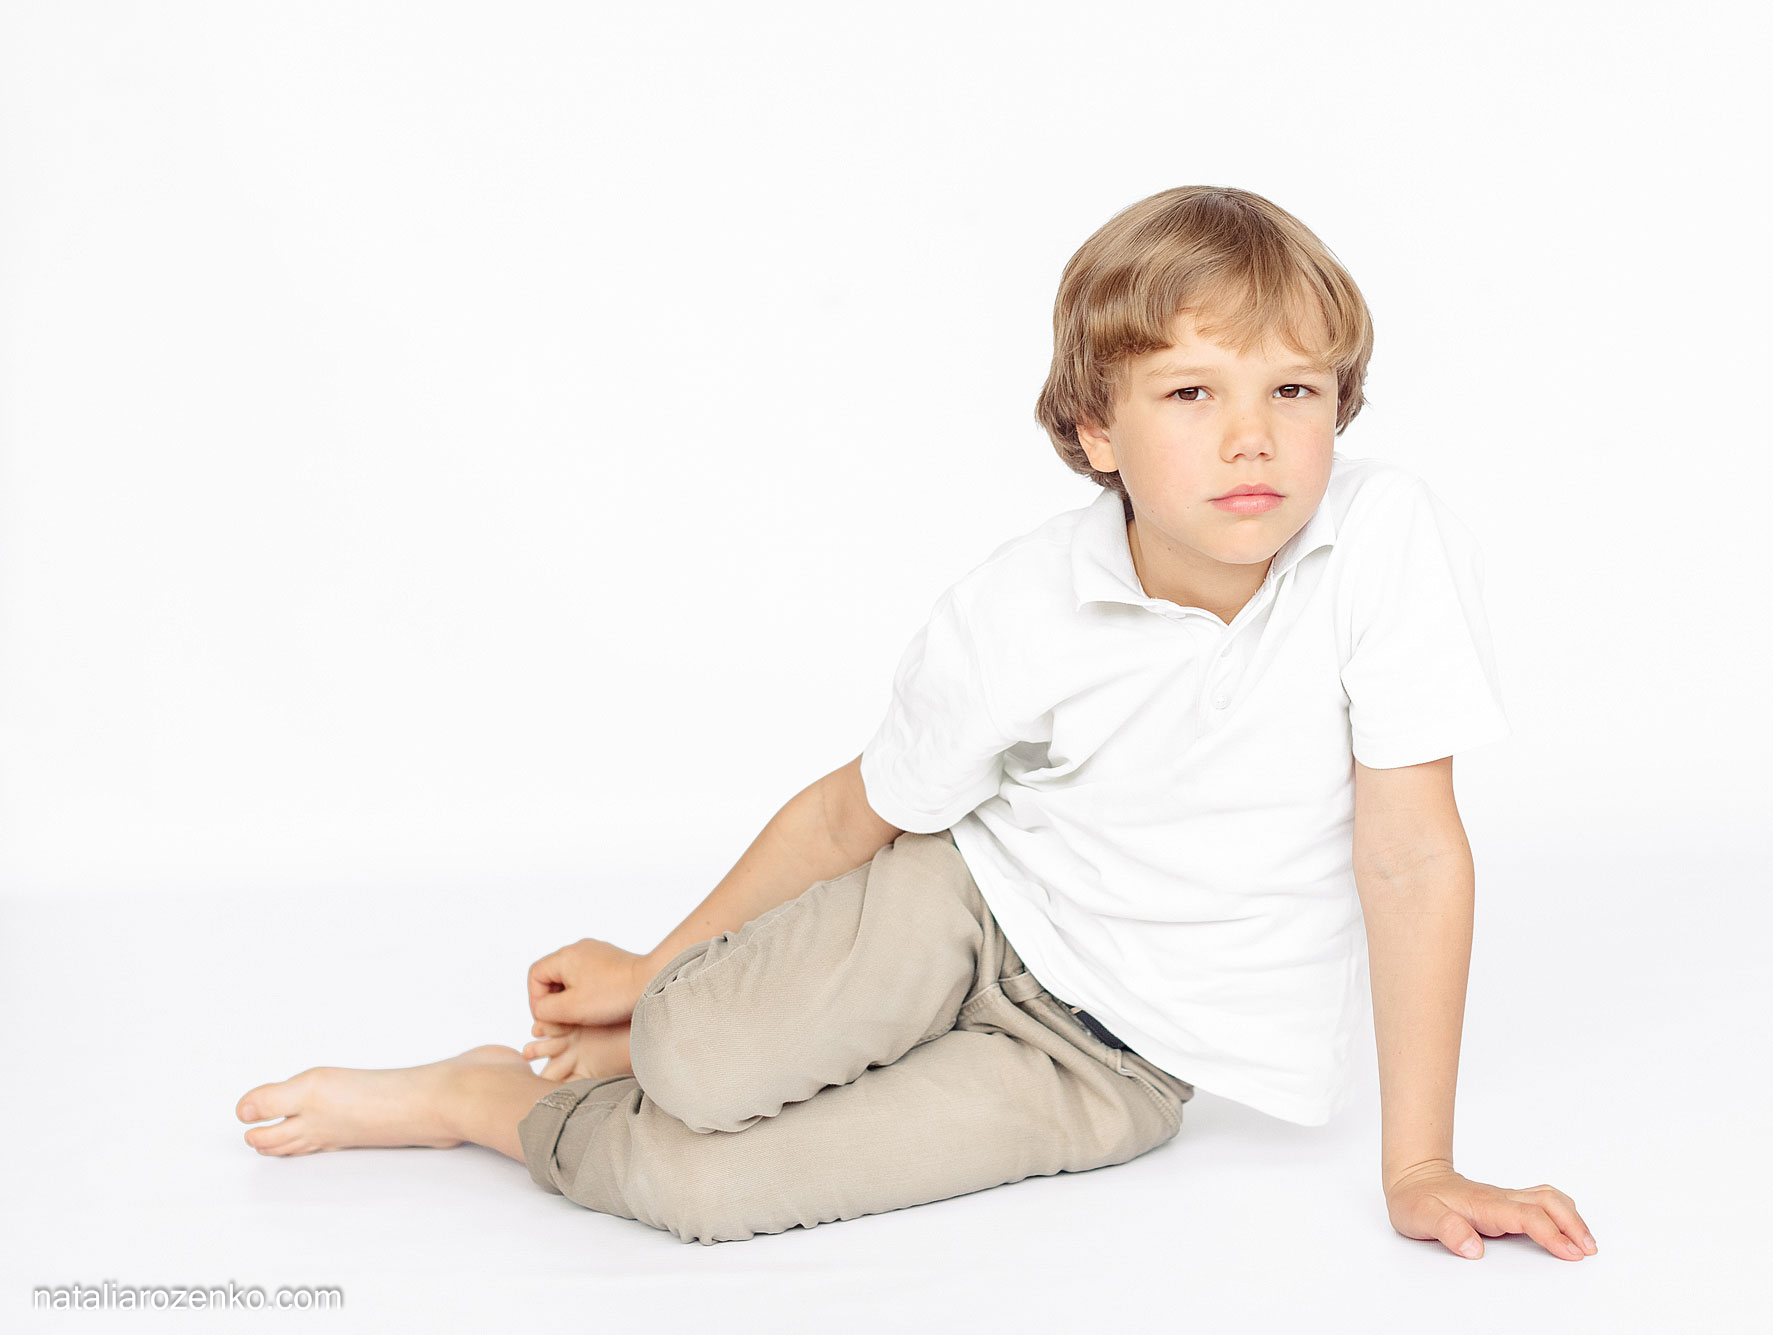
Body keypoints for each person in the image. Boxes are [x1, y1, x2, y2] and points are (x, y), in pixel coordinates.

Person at [234, 184, 1596, 1260]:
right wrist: (654, 970)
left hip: (1112, 1069)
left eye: (1292, 391)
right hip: (967, 905)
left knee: (697, 1190)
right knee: (691, 1054)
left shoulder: (1382, 543)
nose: (1254, 437)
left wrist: (1420, 1165)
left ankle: (486, 1100)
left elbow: (1411, 855)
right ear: (1096, 431)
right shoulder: (1020, 611)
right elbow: (852, 812)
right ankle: (662, 1030)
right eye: (1193, 391)